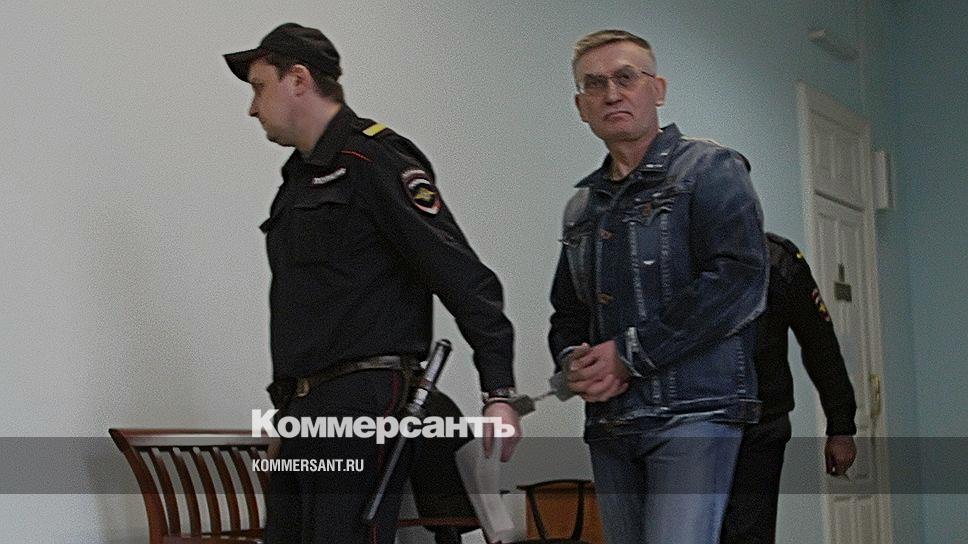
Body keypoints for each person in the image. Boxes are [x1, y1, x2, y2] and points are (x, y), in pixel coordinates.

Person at [223, 23, 521, 544]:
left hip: (364, 395)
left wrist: (499, 391)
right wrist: (286, 411)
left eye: (259, 87)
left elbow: (462, 276)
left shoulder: (375, 159)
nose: (252, 108)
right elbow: (305, 309)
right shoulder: (297, 180)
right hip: (305, 407)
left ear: (298, 79)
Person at [548, 29, 768, 543]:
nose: (611, 94)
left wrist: (630, 355)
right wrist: (573, 361)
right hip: (611, 422)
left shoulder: (710, 169)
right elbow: (568, 313)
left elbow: (738, 281)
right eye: (594, 84)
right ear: (581, 106)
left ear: (658, 89)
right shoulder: (582, 207)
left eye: (626, 78)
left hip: (695, 411)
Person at [721, 232, 858, 544]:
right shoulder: (681, 251)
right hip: (695, 423)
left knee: (748, 536)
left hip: (761, 426)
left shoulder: (778, 260)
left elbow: (820, 343)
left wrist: (841, 426)